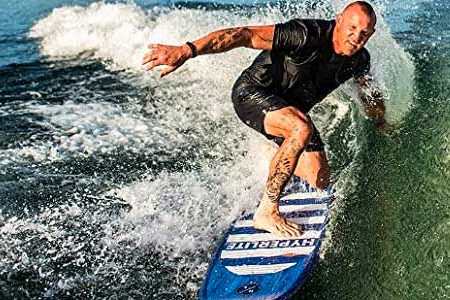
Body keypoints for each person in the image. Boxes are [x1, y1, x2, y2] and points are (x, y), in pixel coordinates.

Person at [142, 1, 387, 237]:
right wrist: (187, 50)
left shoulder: (359, 60)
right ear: (339, 21)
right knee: (301, 128)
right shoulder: (305, 34)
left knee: (319, 179)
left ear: (371, 34)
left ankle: (273, 155)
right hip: (252, 94)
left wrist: (381, 122)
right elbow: (244, 35)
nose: (356, 37)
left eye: (364, 33)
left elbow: (369, 93)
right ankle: (267, 212)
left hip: (288, 112)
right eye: (352, 28)